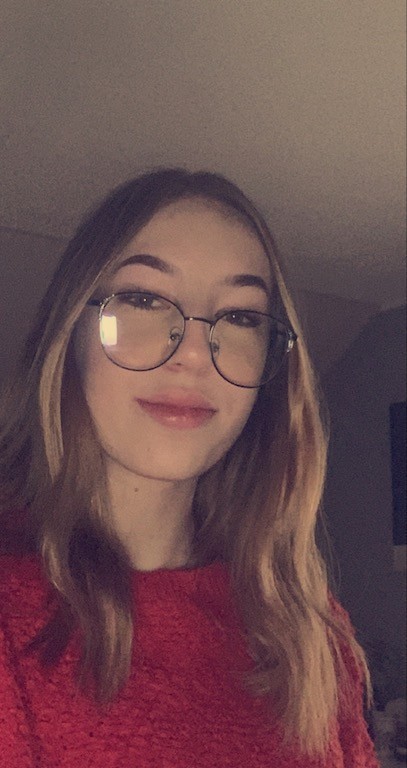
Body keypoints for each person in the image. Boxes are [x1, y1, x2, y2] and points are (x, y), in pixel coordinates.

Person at [0, 168, 379, 767]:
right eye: (144, 300)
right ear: (68, 334)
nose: (196, 353)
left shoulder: (308, 630)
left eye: (241, 316)